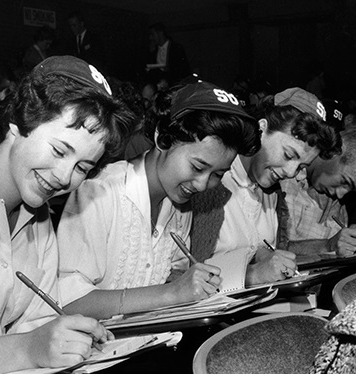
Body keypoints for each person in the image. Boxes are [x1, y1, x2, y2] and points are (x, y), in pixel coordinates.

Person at [0, 55, 134, 374]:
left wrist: (67, 338)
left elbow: (36, 325)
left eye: (83, 167)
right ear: (17, 121)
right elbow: (24, 346)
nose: (65, 177)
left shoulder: (39, 221)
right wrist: (25, 349)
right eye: (59, 150)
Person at [57, 81, 261, 320]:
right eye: (197, 167)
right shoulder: (99, 192)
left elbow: (174, 274)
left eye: (217, 174)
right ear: (162, 138)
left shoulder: (180, 205)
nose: (202, 185)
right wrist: (170, 293)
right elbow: (67, 301)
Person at [190, 87, 341, 291]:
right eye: (288, 155)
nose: (290, 172)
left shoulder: (273, 196)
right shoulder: (209, 182)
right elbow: (180, 273)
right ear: (261, 129)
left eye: (302, 166)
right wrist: (252, 274)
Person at [281, 124, 356, 257]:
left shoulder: (340, 205)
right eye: (344, 181)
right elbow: (263, 251)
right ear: (337, 151)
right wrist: (327, 245)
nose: (340, 193)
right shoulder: (281, 174)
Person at [146, 22, 191, 87]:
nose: (150, 38)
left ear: (160, 33)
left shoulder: (176, 48)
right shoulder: (152, 51)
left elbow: (183, 70)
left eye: (152, 34)